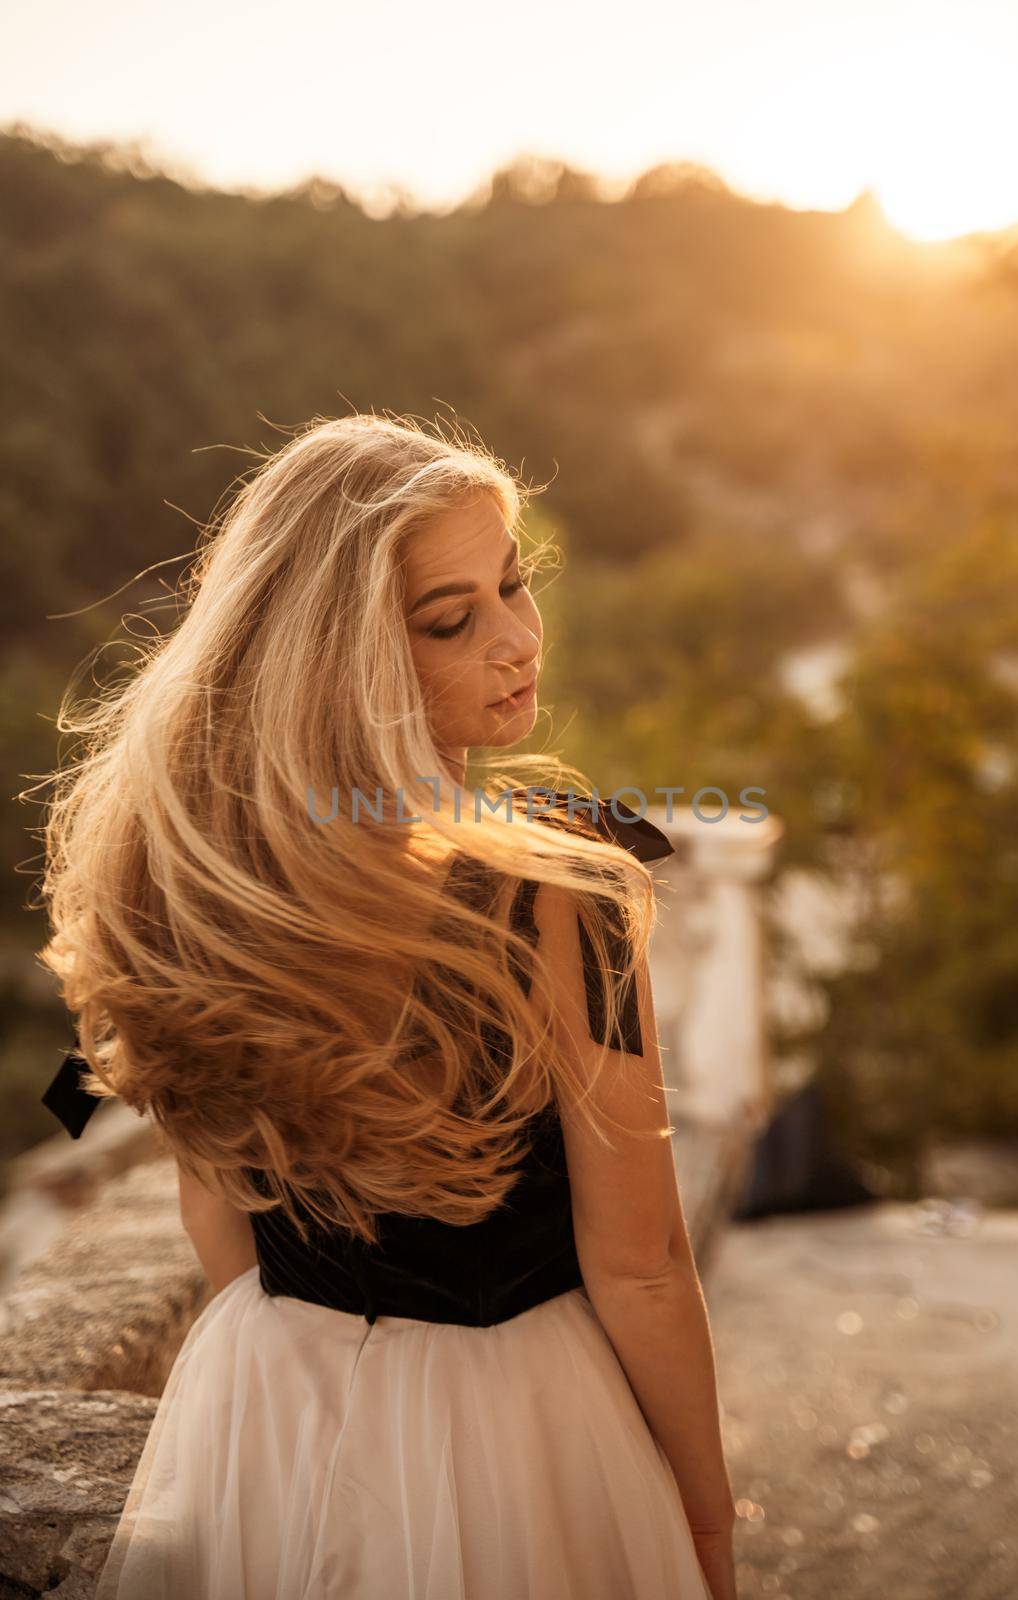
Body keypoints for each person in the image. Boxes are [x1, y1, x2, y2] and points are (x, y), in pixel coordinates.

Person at [36, 412, 738, 1600]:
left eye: (512, 584)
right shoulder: (566, 888)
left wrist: (316, 1403)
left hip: (264, 1398)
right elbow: (644, 1266)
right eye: (451, 619)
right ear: (337, 654)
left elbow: (217, 1215)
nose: (520, 639)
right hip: (517, 1422)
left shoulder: (197, 878)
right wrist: (708, 1527)